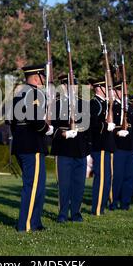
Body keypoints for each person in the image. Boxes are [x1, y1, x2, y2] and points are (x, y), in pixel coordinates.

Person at [9, 64, 52, 232]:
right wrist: (46, 129)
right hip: (31, 146)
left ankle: (35, 222)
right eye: (42, 76)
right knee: (33, 186)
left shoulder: (19, 94)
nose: (44, 80)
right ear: (36, 77)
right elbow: (35, 119)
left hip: (24, 145)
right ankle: (26, 224)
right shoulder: (33, 94)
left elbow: (12, 123)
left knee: (38, 186)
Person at [51, 75, 91, 223]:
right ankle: (62, 213)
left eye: (75, 84)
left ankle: (76, 213)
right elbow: (51, 126)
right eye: (70, 84)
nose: (73, 87)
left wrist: (89, 149)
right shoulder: (56, 104)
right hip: (63, 148)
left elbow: (89, 129)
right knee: (64, 184)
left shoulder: (83, 103)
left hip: (80, 148)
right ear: (63, 85)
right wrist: (63, 132)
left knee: (79, 184)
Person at [88, 78, 115, 216]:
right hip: (100, 145)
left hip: (107, 145)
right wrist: (105, 126)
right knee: (102, 177)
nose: (110, 91)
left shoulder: (105, 103)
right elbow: (92, 123)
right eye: (107, 87)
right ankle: (97, 208)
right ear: (100, 88)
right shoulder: (94, 103)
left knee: (107, 177)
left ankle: (102, 206)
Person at [110, 89, 133, 211]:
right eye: (119, 90)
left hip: (130, 148)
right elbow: (110, 127)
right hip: (119, 147)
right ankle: (113, 201)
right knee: (117, 176)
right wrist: (117, 132)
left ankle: (125, 203)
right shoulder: (113, 107)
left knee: (129, 177)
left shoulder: (130, 109)